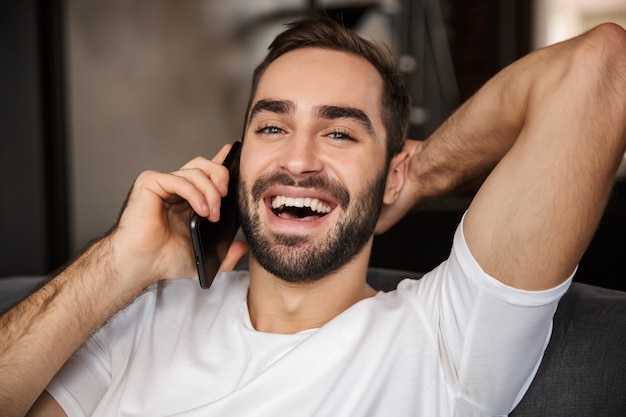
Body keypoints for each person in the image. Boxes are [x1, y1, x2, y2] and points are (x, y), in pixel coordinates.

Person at [1, 17, 625, 417]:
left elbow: (602, 67)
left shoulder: (442, 337)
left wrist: (417, 173)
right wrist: (119, 263)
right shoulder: (142, 313)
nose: (297, 160)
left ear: (391, 170)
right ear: (237, 158)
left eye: (341, 134)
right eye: (272, 126)